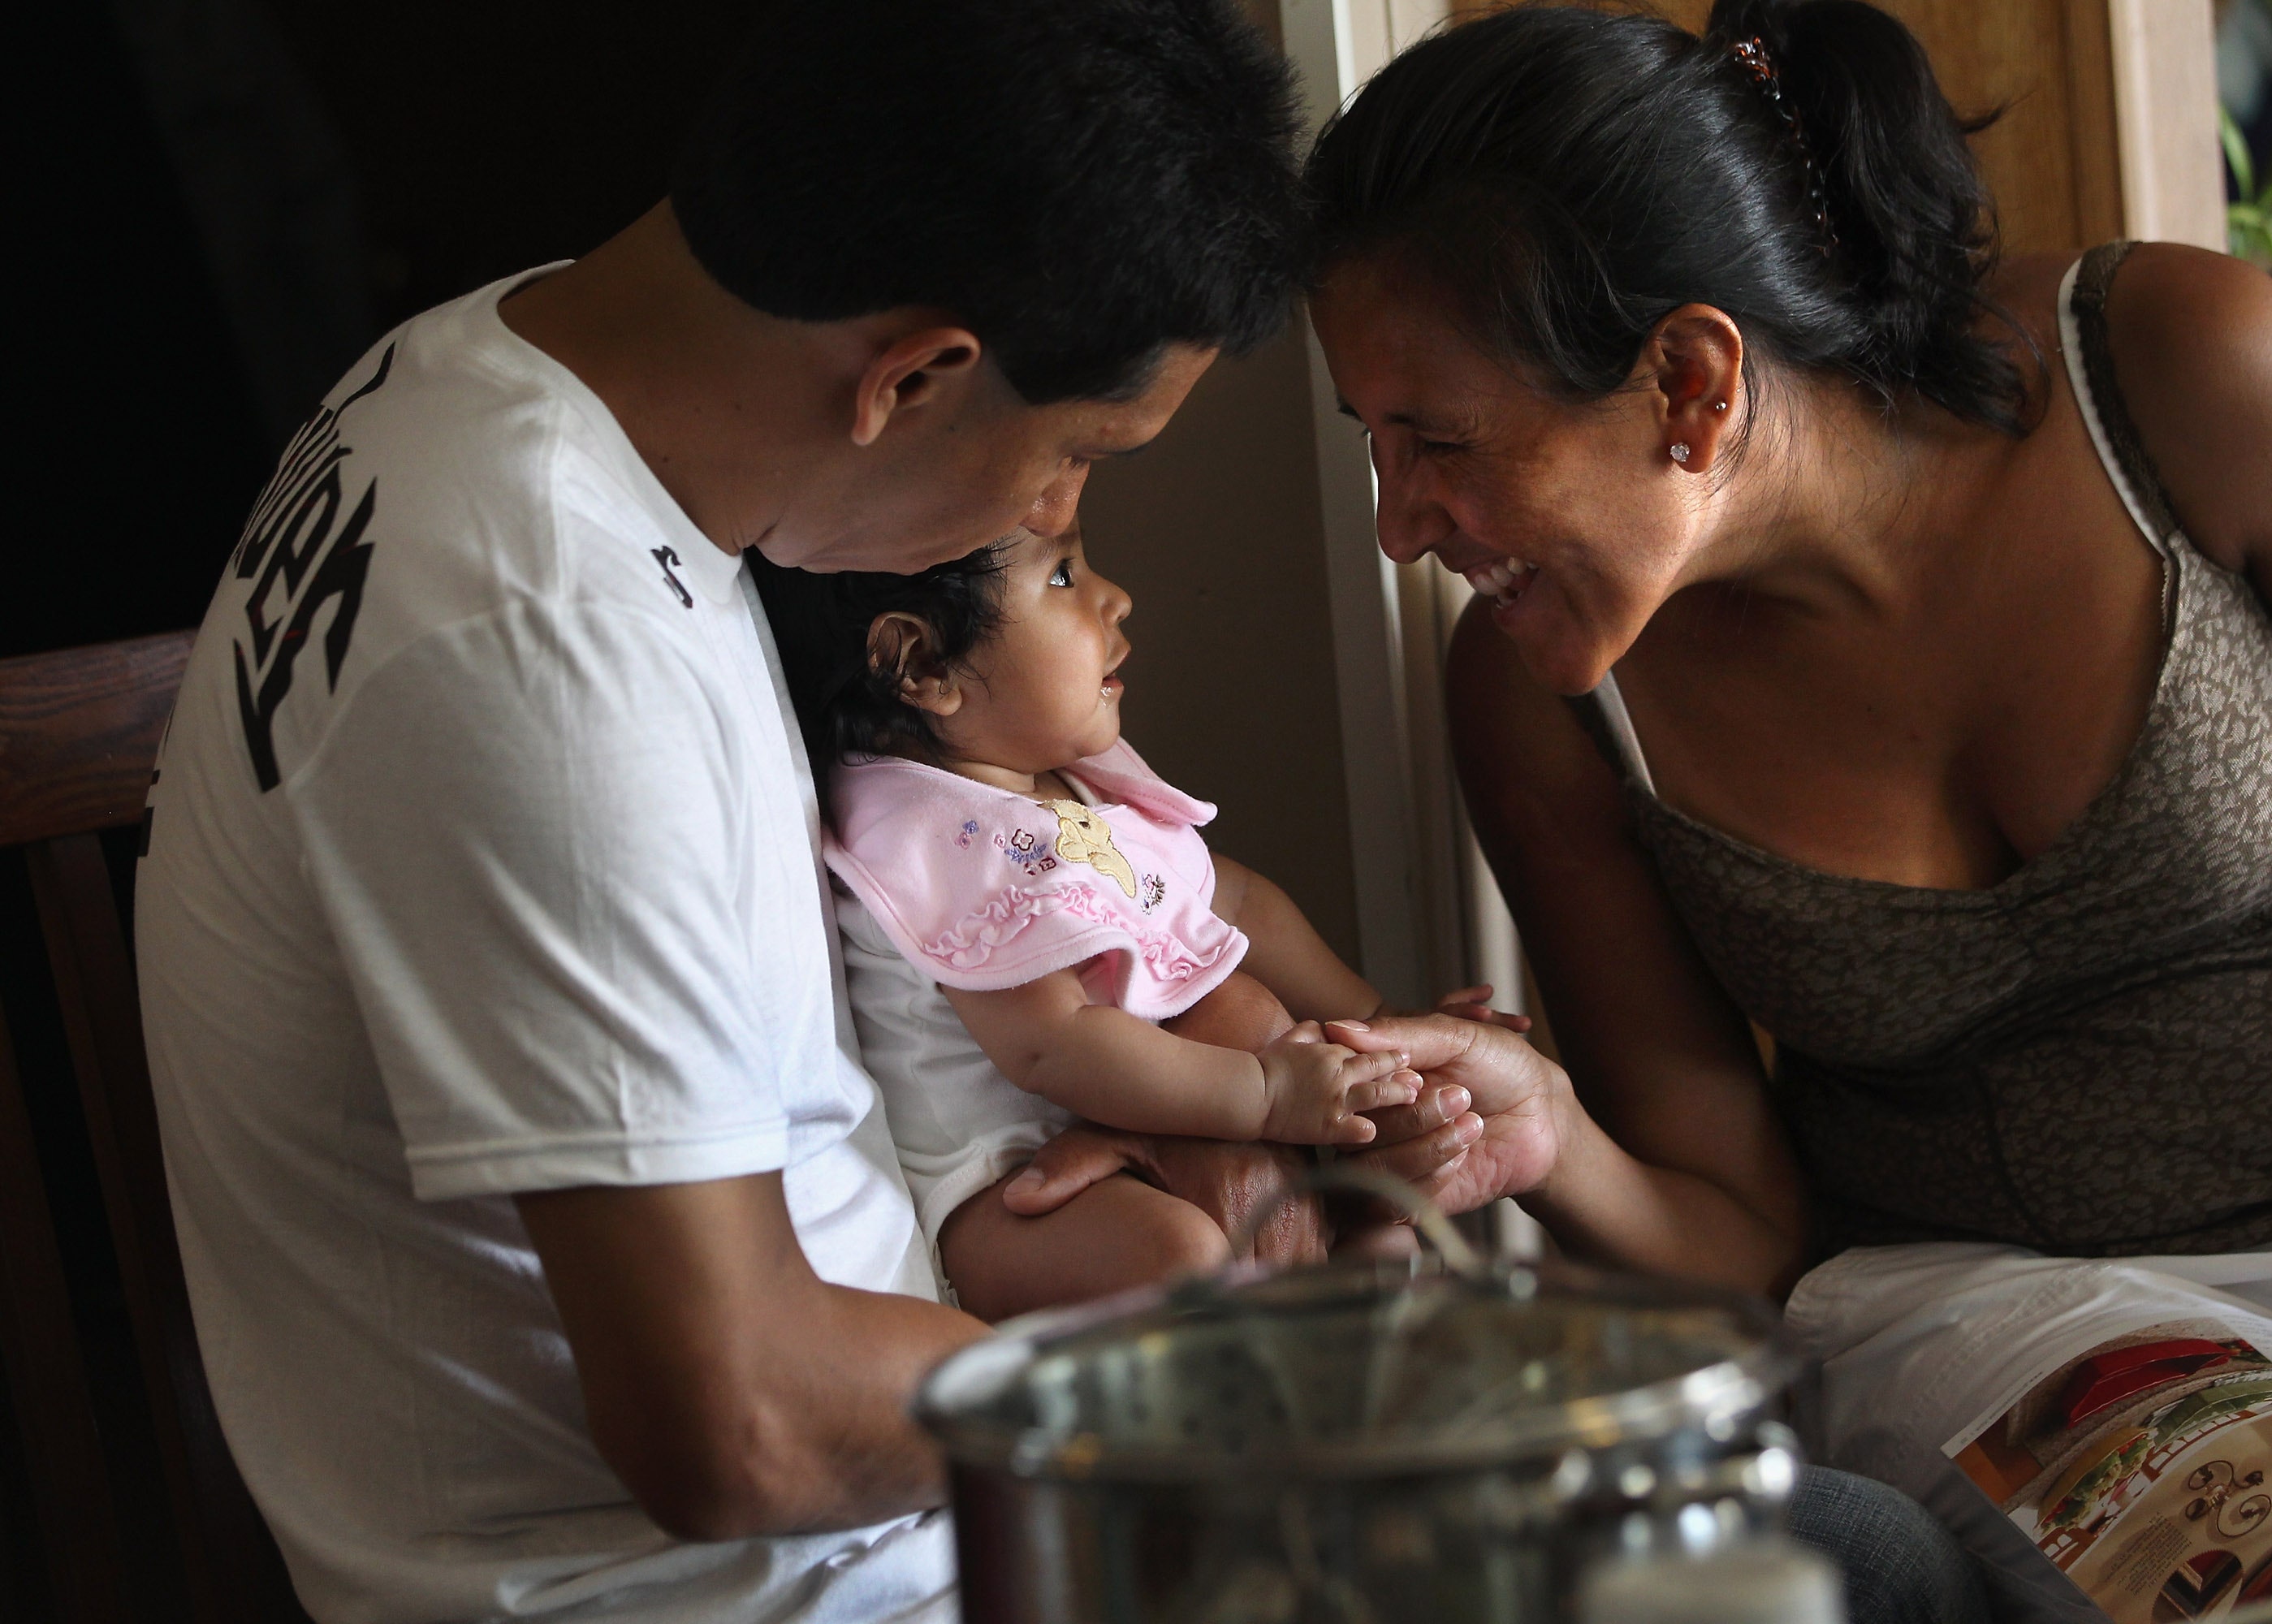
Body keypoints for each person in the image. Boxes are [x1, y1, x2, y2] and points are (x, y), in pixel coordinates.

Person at [129, 2, 1387, 1618]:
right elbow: (746, 1425)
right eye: (1077, 453)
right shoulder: (535, 634)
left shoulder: (487, 366)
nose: (1057, 515)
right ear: (919, 376)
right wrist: (1218, 1367)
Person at [1294, 0, 2272, 1617]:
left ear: (1689, 383)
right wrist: (1547, 1134)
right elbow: (1746, 1245)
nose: (1405, 525)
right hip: (2039, 1321)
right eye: (1377, 449)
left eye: (1443, 446)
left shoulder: (2173, 370)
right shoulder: (1546, 702)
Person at [755, 523, 1527, 1320]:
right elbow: (1056, 1042)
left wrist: (1380, 1026)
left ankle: (1349, 1291)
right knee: (1177, 1254)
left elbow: (1233, 900)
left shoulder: (1067, 784)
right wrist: (1264, 1093)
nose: (1113, 597)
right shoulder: (929, 832)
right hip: (1006, 1191)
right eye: (1061, 576)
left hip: (1140, 1123)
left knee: (1333, 1144)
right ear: (922, 665)